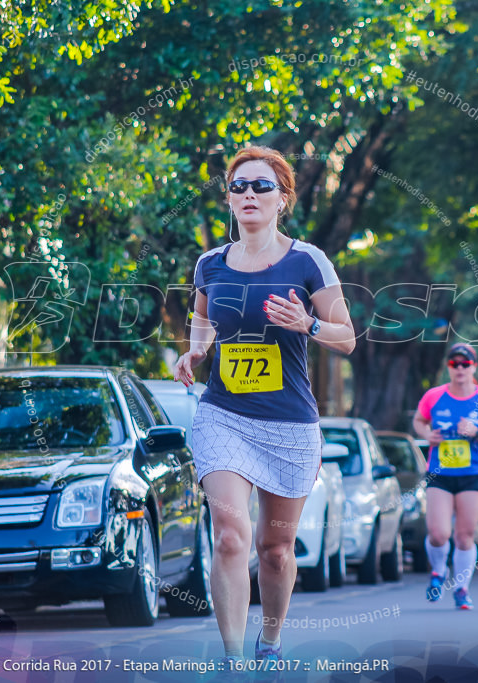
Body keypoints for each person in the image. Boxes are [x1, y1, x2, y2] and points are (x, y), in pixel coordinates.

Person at [174, 146, 355, 664]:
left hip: (289, 423)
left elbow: (348, 338)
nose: (248, 194)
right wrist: (197, 349)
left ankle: (270, 641)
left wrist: (309, 325)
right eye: (238, 187)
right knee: (231, 537)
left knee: (274, 552)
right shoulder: (209, 263)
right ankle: (232, 661)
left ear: (282, 199)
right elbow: (203, 317)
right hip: (223, 415)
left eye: (261, 186)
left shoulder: (308, 260)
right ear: (229, 200)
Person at [412, 342, 478, 610]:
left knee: (464, 536)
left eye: (466, 364)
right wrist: (426, 434)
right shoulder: (434, 396)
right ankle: (438, 571)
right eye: (455, 364)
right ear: (449, 368)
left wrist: (477, 432)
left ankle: (462, 588)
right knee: (439, 534)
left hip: (472, 474)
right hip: (439, 473)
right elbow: (419, 421)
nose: (460, 368)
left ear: (474, 367)